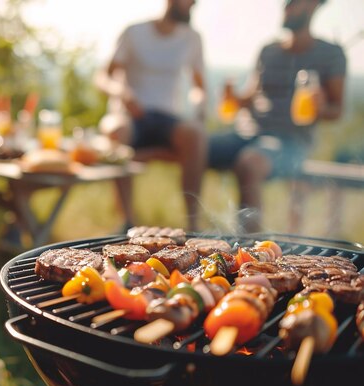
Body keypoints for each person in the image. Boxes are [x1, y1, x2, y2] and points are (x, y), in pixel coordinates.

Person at [207, 0, 346, 233]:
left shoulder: (331, 54)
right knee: (198, 144)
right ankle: (191, 230)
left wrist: (320, 107)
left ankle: (251, 250)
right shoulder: (268, 50)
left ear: (312, 5)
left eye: (293, 3)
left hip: (290, 141)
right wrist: (233, 97)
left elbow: (337, 110)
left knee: (249, 162)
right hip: (247, 133)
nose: (286, 8)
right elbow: (250, 97)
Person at [96, 0, 207, 233]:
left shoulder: (192, 38)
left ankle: (193, 226)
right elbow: (103, 77)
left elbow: (199, 87)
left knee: (195, 134)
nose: (193, 5)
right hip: (132, 115)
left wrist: (199, 106)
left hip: (168, 119)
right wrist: (121, 92)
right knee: (116, 130)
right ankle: (127, 222)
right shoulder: (134, 32)